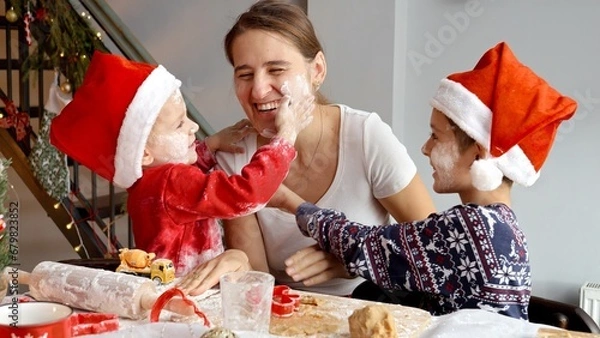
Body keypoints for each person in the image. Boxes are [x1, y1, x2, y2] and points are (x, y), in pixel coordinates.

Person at [268, 42, 577, 319]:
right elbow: (399, 261)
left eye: (435, 136)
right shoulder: (499, 225)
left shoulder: (470, 227)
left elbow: (363, 242)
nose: (425, 148)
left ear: (478, 155)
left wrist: (289, 201)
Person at [212, 0, 436, 297]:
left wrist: (354, 259)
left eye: (276, 70)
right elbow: (257, 285)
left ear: (317, 70)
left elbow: (435, 248)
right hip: (286, 313)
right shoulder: (234, 157)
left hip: (376, 305)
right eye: (245, 75)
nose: (258, 89)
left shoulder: (365, 137)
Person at [49, 51, 314, 276]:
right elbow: (245, 194)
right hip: (187, 296)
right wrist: (284, 138)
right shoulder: (170, 182)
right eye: (179, 124)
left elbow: (185, 179)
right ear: (143, 154)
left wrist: (210, 145)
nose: (194, 126)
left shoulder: (149, 181)